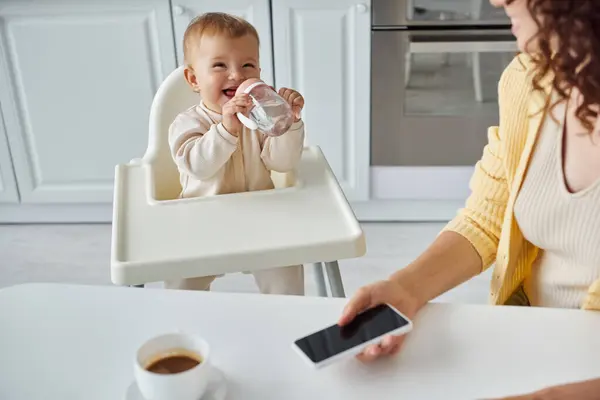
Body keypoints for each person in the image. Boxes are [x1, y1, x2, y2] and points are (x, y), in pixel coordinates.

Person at [339, 0, 600, 397]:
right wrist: (405, 288)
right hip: (529, 345)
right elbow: (487, 215)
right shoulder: (530, 79)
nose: (495, 1)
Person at [166, 12, 305, 295]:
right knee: (181, 283)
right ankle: (183, 324)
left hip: (260, 220)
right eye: (219, 65)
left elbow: (282, 163)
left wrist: (288, 122)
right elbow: (198, 166)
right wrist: (226, 129)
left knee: (287, 269)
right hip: (201, 225)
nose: (236, 75)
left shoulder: (261, 119)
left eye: (247, 65)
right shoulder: (188, 123)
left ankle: (287, 318)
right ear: (194, 79)